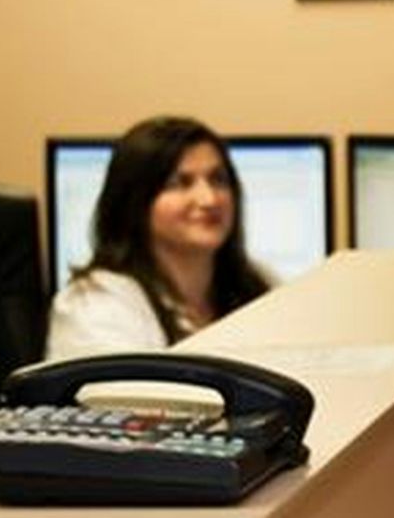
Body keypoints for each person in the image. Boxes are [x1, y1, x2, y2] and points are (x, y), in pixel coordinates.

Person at [47, 115, 270, 359]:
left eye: (218, 180)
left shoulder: (259, 287)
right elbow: (123, 394)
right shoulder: (96, 304)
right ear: (136, 202)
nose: (209, 199)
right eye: (180, 183)